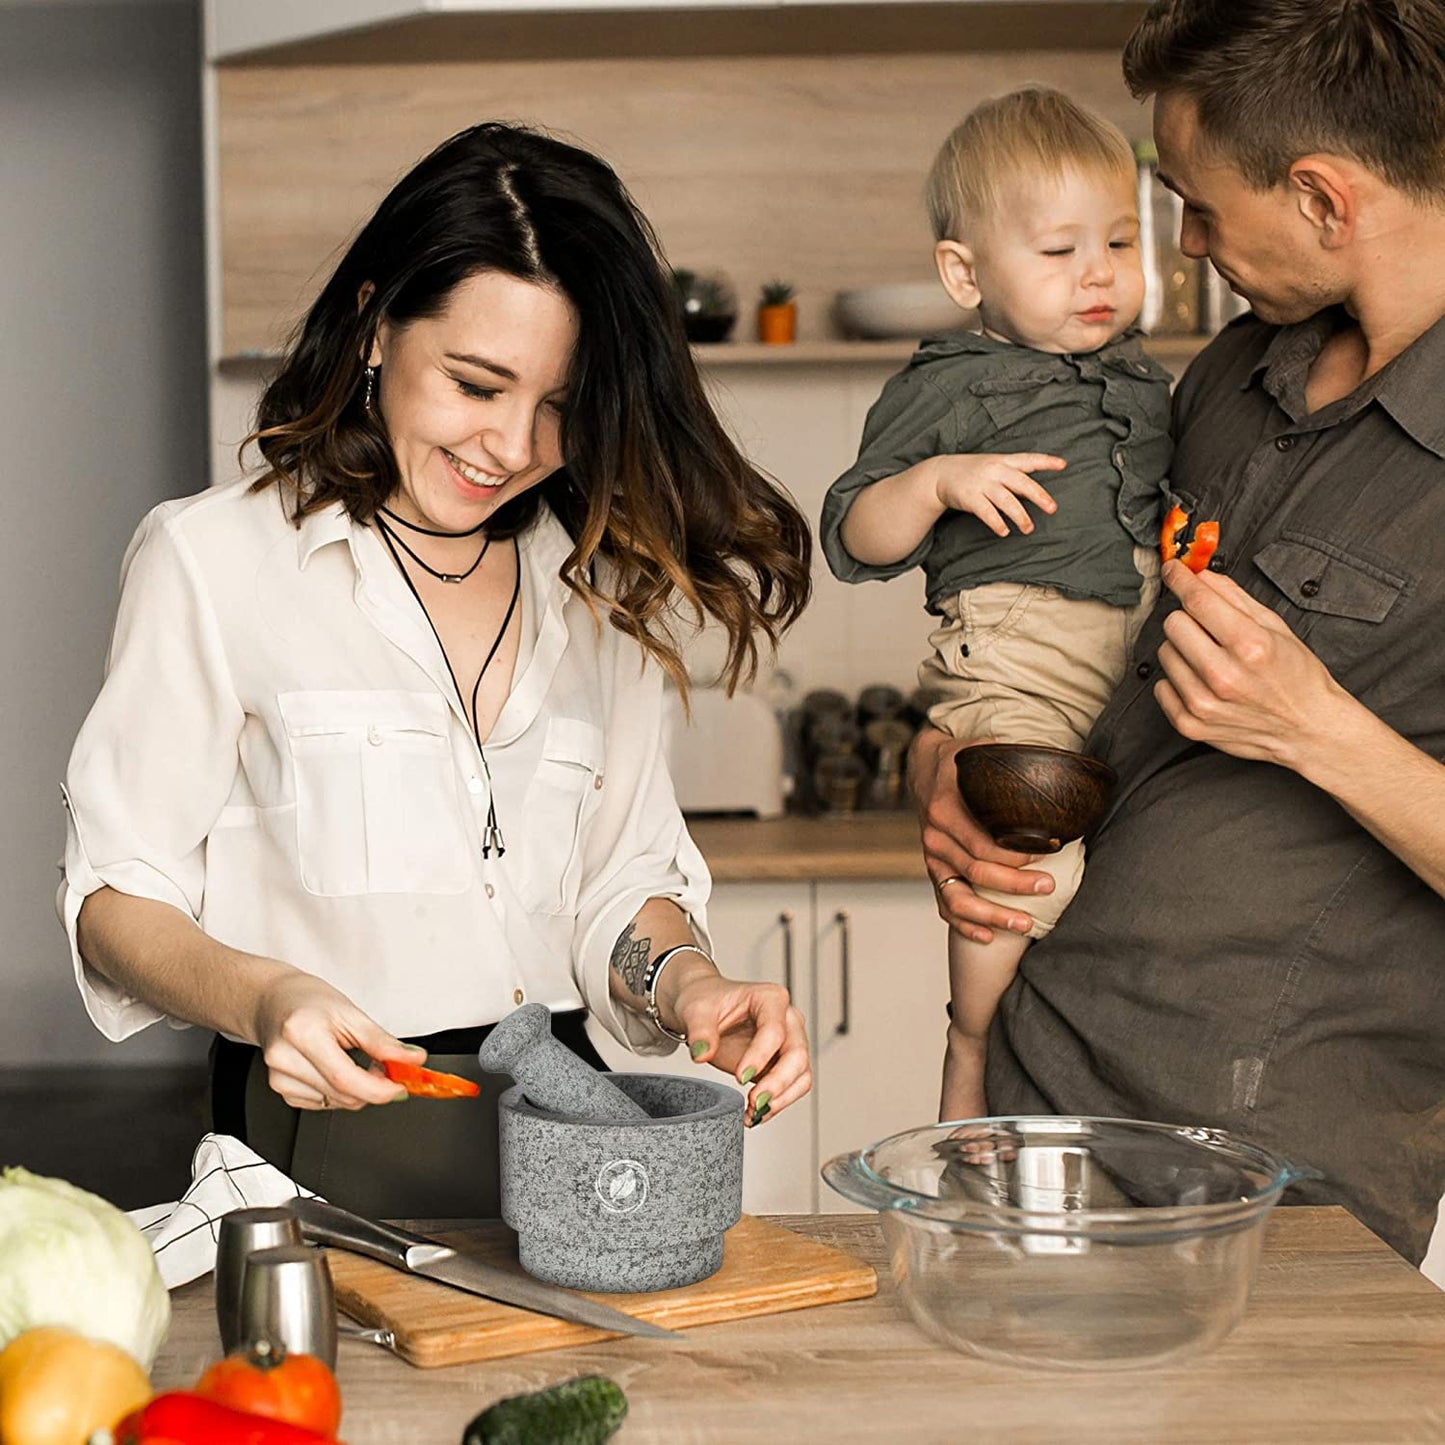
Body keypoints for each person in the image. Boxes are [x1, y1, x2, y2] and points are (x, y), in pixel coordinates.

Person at [59, 121, 815, 1219]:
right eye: (475, 383)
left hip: (567, 1164)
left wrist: (691, 982)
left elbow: (619, 886)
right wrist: (270, 996)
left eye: (558, 406)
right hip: (310, 1159)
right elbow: (116, 898)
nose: (511, 445)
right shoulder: (214, 561)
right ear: (374, 326)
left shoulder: (603, 593)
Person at [910, 0, 1445, 1265]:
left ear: (1322, 199)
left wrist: (1316, 731)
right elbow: (1069, 627)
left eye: (1195, 205)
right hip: (1035, 1089)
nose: (1186, 244)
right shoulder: (1222, 377)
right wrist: (948, 758)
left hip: (1264, 1175)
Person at [819, 88, 1173, 1121]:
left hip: (1133, 650)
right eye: (1058, 250)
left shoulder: (1150, 385)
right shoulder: (949, 384)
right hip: (1015, 649)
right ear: (964, 273)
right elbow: (852, 530)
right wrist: (934, 484)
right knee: (1016, 852)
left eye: (1117, 239)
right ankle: (968, 1048)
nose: (1098, 272)